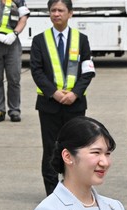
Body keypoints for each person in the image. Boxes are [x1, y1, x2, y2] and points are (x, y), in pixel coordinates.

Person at [31, 0, 95, 196]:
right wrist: (54, 92)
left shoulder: (81, 39)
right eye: (53, 10)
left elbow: (88, 71)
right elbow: (37, 70)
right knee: (51, 149)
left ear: (70, 14)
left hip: (74, 105)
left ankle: (74, 189)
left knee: (76, 148)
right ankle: (52, 193)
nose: (56, 14)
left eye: (61, 10)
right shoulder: (40, 40)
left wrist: (75, 93)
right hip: (50, 105)